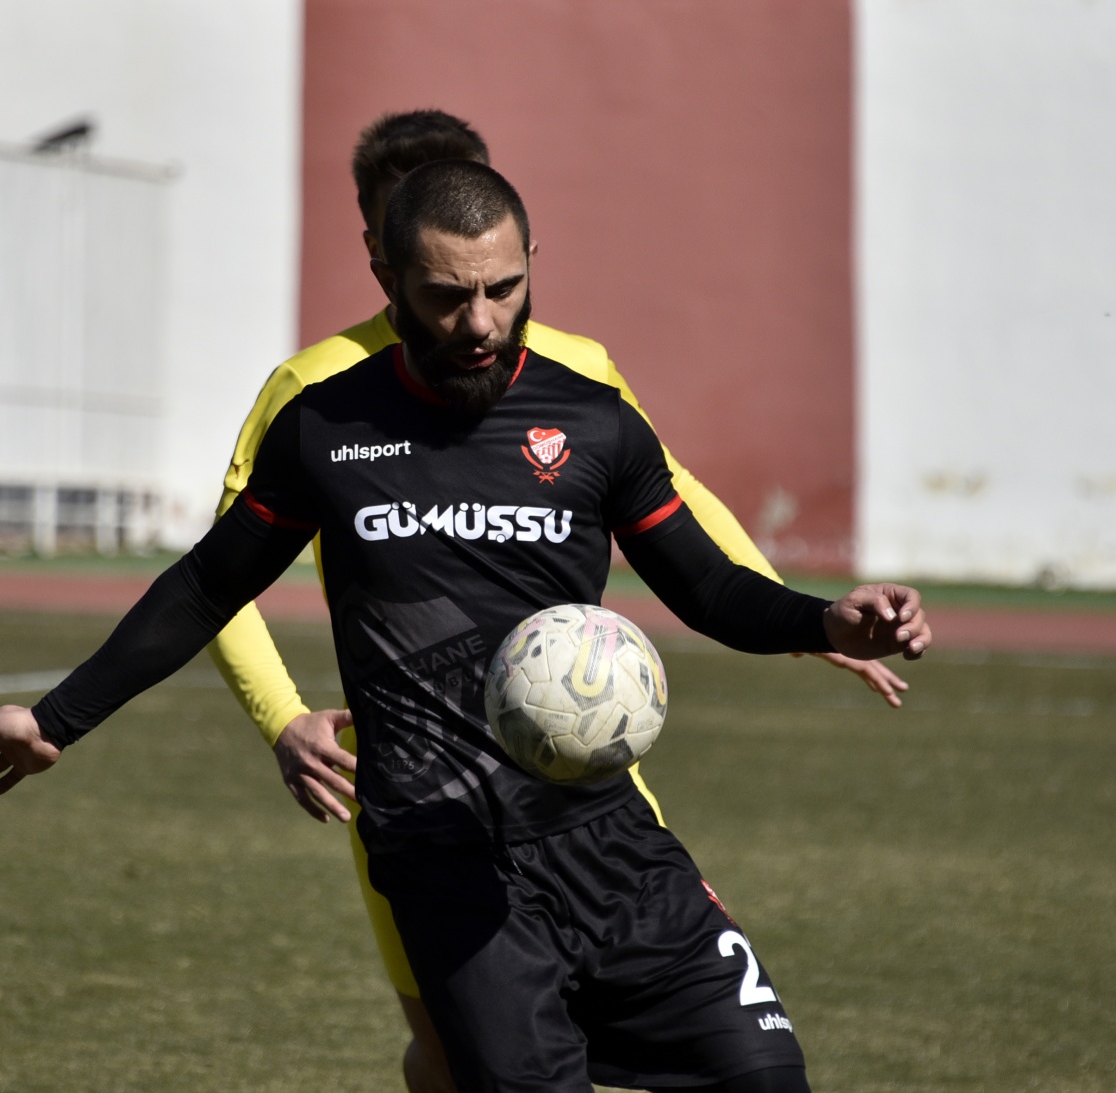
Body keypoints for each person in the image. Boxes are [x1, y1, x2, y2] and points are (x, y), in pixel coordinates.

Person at [0, 160, 932, 1093]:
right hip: (443, 852)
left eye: (503, 288)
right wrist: (56, 719)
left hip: (607, 837)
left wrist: (828, 620)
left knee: (763, 1073)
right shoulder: (325, 426)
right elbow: (206, 586)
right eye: (447, 296)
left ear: (531, 262)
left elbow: (708, 588)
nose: (480, 322)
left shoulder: (595, 422)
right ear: (388, 279)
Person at [207, 110, 908, 1092]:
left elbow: (677, 497)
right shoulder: (315, 391)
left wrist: (798, 614)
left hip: (579, 775)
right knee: (454, 1054)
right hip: (427, 797)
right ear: (381, 249)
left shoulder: (573, 369)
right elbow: (216, 576)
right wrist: (281, 716)